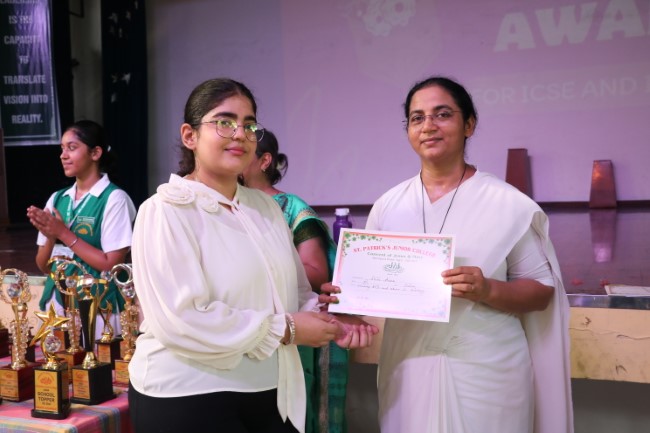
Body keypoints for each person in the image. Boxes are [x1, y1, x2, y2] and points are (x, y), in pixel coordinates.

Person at [127, 77, 378, 433]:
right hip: (187, 393)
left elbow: (295, 293)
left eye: (249, 125)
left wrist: (332, 321)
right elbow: (182, 319)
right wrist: (288, 328)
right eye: (224, 122)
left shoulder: (266, 208)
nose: (240, 134)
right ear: (189, 136)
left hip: (269, 387)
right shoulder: (165, 210)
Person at [353, 76, 572, 433]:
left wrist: (488, 289)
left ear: (469, 125)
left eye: (442, 114)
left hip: (488, 370)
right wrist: (346, 301)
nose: (429, 126)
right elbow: (372, 288)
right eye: (417, 118)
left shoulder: (508, 204)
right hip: (408, 366)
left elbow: (541, 290)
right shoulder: (388, 206)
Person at [240, 130, 349, 433]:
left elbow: (316, 272)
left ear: (265, 161)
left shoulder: (291, 208)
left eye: (245, 150)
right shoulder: (229, 204)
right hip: (246, 328)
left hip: (290, 328)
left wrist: (260, 277)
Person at [26, 120, 136, 339]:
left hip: (99, 304)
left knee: (96, 360)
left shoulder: (114, 199)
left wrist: (62, 233)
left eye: (72, 148)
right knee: (57, 359)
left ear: (95, 153)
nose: (63, 155)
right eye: (62, 149)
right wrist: (50, 237)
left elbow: (111, 264)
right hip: (58, 303)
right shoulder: (57, 199)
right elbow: (43, 266)